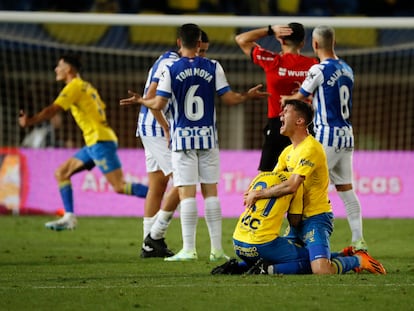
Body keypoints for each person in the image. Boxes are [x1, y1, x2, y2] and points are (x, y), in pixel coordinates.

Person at [129, 23, 269, 261]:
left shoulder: (171, 68)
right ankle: (216, 250)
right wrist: (248, 96)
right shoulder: (213, 66)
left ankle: (188, 249)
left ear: (179, 43)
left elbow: (158, 103)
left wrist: (142, 101)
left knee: (187, 193)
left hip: (182, 139)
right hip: (208, 137)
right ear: (198, 44)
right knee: (211, 193)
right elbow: (229, 98)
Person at [243, 99, 386, 275]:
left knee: (321, 270)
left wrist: (259, 194)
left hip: (316, 218)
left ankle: (359, 260)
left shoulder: (310, 148)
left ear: (299, 120)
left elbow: (292, 185)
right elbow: (274, 179)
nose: (280, 115)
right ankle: (342, 254)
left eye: (285, 111)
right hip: (296, 221)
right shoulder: (287, 152)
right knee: (278, 257)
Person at [18, 53, 148, 231]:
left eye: (59, 66)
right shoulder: (87, 86)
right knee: (62, 173)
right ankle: (69, 217)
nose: (56, 69)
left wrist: (30, 121)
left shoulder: (74, 86)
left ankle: (162, 198)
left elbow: (53, 109)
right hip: (95, 141)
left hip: (99, 141)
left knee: (119, 186)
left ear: (69, 69)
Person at [120, 30, 210, 259]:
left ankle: (148, 244)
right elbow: (153, 100)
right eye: (200, 50)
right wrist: (167, 128)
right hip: (158, 129)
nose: (201, 56)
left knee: (158, 185)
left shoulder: (168, 58)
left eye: (205, 52)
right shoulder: (172, 63)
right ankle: (154, 237)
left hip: (149, 127)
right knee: (185, 181)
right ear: (189, 45)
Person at [281, 25, 367, 251]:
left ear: (315, 44)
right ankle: (358, 240)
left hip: (327, 136)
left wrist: (285, 99)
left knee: (304, 184)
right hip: (346, 136)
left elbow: (299, 97)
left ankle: (296, 236)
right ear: (334, 43)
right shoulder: (348, 69)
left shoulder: (318, 70)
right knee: (347, 189)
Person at [235, 22, 318, 172]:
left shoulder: (272, 61)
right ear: (303, 43)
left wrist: (270, 30)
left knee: (266, 176)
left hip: (278, 125)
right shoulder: (314, 64)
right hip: (305, 126)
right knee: (302, 177)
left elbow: (241, 39)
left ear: (281, 40)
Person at [212, 170, 312, 275]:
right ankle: (266, 269)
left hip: (238, 242)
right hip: (262, 244)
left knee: (271, 256)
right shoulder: (295, 183)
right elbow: (294, 221)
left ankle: (235, 267)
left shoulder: (260, 176)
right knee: (310, 260)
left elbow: (246, 198)